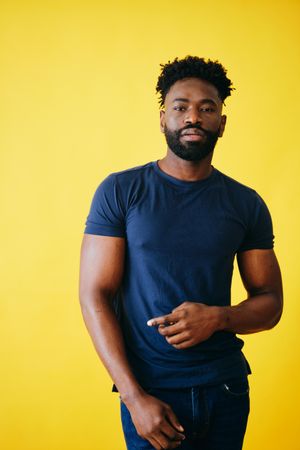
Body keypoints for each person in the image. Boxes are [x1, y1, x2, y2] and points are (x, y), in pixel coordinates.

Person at [79, 56, 283, 450]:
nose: (194, 116)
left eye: (207, 108)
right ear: (163, 118)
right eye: (181, 107)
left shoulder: (246, 204)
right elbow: (94, 295)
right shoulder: (120, 191)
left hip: (226, 389)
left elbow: (271, 303)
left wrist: (219, 318)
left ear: (221, 123)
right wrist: (133, 397)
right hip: (151, 392)